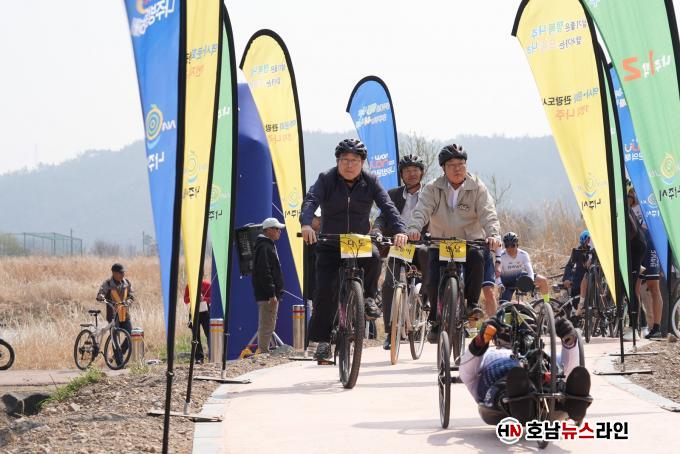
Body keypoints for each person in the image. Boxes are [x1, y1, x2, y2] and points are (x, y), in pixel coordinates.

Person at [300, 139, 408, 360]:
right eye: (345, 160)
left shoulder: (371, 181)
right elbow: (311, 200)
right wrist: (306, 224)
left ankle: (368, 298)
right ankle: (323, 341)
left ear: (362, 163)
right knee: (324, 292)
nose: (349, 165)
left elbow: (388, 206)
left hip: (358, 242)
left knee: (375, 256)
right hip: (331, 242)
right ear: (337, 161)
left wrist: (400, 230)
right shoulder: (326, 179)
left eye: (354, 160)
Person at [406, 144, 502, 343]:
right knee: (432, 278)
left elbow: (488, 213)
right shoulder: (433, 187)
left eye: (461, 164)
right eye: (451, 165)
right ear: (443, 168)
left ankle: (472, 304)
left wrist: (493, 234)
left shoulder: (477, 187)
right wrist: (414, 228)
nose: (457, 168)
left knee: (477, 257)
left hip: (469, 242)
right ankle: (435, 318)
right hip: (440, 242)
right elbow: (421, 210)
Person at [460, 316, 592, 425]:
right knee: (511, 381)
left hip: (540, 384)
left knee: (556, 380)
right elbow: (466, 373)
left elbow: (568, 369)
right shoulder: (489, 353)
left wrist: (569, 340)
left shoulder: (544, 354)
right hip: (502, 388)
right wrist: (479, 342)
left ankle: (572, 402)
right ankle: (521, 400)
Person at [373, 154, 430, 350]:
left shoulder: (431, 192)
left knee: (428, 259)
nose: (411, 174)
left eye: (415, 170)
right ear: (401, 174)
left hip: (423, 243)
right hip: (400, 245)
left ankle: (427, 299)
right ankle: (391, 331)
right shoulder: (393, 194)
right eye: (407, 171)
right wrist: (377, 229)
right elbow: (382, 217)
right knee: (389, 284)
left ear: (421, 173)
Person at [628, 184, 664, 339]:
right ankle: (635, 326)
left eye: (632, 194)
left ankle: (657, 327)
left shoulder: (649, 200)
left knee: (653, 286)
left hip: (651, 246)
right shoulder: (628, 208)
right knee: (635, 286)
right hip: (637, 247)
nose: (631, 197)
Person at [252, 217, 286, 354]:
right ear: (269, 230)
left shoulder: (266, 245)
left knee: (268, 324)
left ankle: (264, 351)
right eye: (277, 229)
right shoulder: (264, 247)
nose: (279, 232)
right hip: (267, 295)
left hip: (268, 294)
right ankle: (263, 353)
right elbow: (264, 271)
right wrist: (271, 293)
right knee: (267, 325)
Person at [496, 232, 549, 302]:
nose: (510, 248)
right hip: (507, 282)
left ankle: (547, 303)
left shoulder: (523, 254)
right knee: (504, 304)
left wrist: (530, 281)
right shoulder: (501, 255)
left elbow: (530, 271)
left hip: (520, 277)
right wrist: (500, 284)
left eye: (512, 245)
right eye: (507, 245)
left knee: (543, 280)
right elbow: (497, 274)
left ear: (517, 245)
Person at [96, 263, 134, 359]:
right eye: (120, 273)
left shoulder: (127, 283)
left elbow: (131, 295)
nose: (123, 274)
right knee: (115, 339)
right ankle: (119, 361)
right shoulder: (107, 283)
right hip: (113, 316)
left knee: (131, 335)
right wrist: (101, 296)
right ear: (114, 273)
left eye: (123, 272)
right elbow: (101, 293)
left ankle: (118, 354)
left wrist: (128, 301)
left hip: (125, 314)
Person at [562, 230, 592, 314]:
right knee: (573, 308)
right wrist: (566, 278)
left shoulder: (594, 251)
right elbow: (569, 265)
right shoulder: (577, 251)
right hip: (578, 281)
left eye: (589, 241)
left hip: (591, 280)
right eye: (586, 241)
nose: (588, 243)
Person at [183, 278, 211, 363]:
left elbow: (212, 298)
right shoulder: (189, 285)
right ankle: (199, 358)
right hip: (194, 312)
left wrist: (204, 299)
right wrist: (193, 298)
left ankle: (212, 355)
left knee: (209, 334)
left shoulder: (207, 284)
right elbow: (185, 300)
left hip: (205, 312)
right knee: (196, 336)